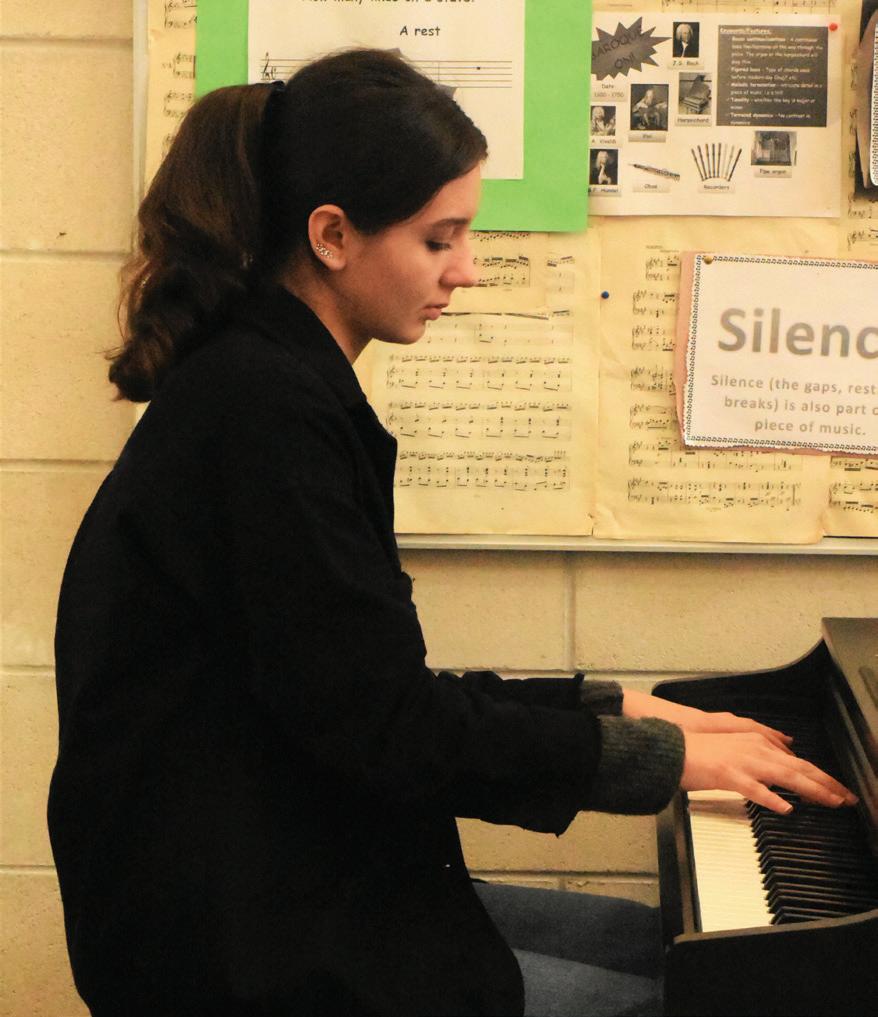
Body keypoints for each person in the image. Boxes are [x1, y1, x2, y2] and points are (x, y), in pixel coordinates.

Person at [48, 48, 856, 1017]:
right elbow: (389, 727)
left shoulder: (269, 382)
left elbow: (362, 683)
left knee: (676, 956)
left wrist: (619, 706)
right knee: (698, 998)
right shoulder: (262, 410)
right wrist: (654, 757)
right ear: (332, 235)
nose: (466, 271)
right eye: (440, 240)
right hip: (234, 931)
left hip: (296, 866)